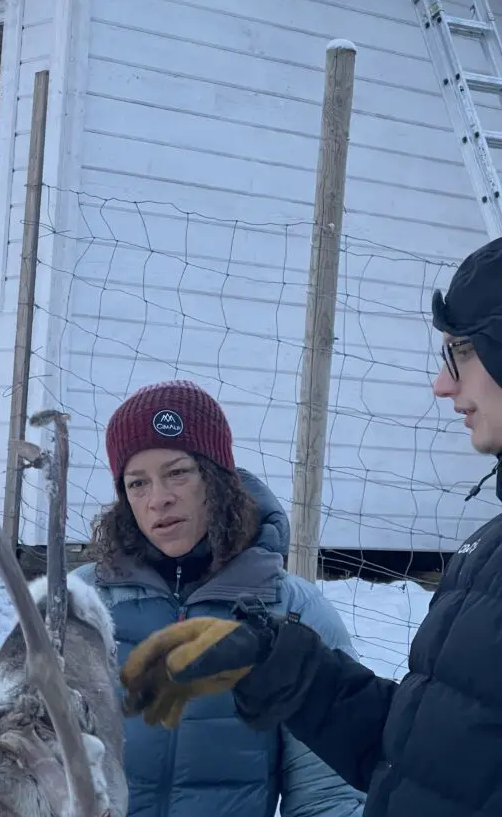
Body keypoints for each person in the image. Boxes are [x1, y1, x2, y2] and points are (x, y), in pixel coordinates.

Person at [120, 237, 502, 817]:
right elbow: (427, 764)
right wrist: (282, 666)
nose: (442, 383)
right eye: (136, 482)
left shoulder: (295, 601)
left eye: (461, 351)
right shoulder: (486, 555)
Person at [76, 379, 366, 817]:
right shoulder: (80, 604)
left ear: (217, 479)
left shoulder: (292, 610)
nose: (159, 499)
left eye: (178, 473)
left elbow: (328, 795)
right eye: (138, 483)